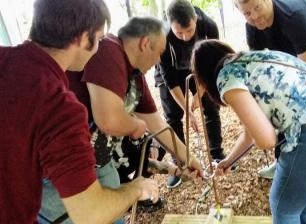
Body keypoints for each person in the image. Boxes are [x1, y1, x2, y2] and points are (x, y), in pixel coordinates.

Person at [0, 0, 161, 223]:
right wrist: (136, 187)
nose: (99, 49)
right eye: (99, 39)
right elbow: (91, 213)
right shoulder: (58, 108)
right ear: (83, 38)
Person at [191, 39, 306, 224]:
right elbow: (249, 134)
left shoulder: (226, 77)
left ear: (205, 79)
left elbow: (267, 140)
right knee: (303, 204)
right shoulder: (257, 57)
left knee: (283, 208)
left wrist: (262, 134)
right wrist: (228, 162)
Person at [38, 17, 203, 223]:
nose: (159, 61)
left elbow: (158, 124)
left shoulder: (136, 77)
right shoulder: (108, 49)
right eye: (159, 52)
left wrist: (189, 159)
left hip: (100, 162)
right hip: (60, 165)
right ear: (144, 43)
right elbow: (107, 119)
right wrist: (136, 125)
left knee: (114, 213)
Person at [234, 0, 306, 178]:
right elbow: (260, 74)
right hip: (292, 47)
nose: (254, 17)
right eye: (247, 13)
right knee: (276, 99)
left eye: (257, 7)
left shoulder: (294, 15)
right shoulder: (252, 29)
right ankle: (284, 162)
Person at [154, 0, 236, 189]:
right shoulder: (162, 35)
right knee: (173, 118)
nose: (184, 37)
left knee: (211, 107)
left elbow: (212, 64)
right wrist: (188, 111)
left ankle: (216, 154)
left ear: (195, 20)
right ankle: (180, 163)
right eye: (179, 33)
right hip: (171, 75)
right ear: (169, 24)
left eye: (189, 31)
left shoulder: (209, 26)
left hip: (200, 67)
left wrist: (198, 95)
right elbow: (170, 81)